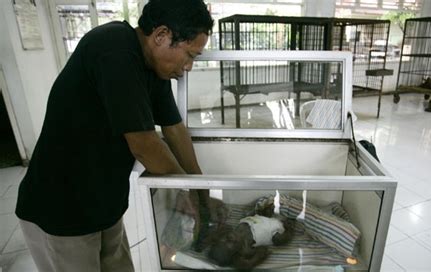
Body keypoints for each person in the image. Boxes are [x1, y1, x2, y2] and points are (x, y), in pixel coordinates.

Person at [15, 0, 213, 271]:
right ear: (162, 36)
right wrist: (185, 193)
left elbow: (175, 129)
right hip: (62, 211)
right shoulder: (113, 49)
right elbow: (144, 145)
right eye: (190, 55)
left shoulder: (154, 68)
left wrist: (201, 191)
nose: (189, 66)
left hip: (104, 205)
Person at [206, 202, 295, 270]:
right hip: (275, 230)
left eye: (224, 239)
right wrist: (253, 257)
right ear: (236, 252)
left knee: (254, 212)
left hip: (260, 219)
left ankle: (266, 213)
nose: (227, 238)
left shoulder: (231, 230)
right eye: (229, 243)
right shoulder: (246, 248)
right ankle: (290, 228)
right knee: (279, 239)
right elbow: (263, 250)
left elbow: (217, 232)